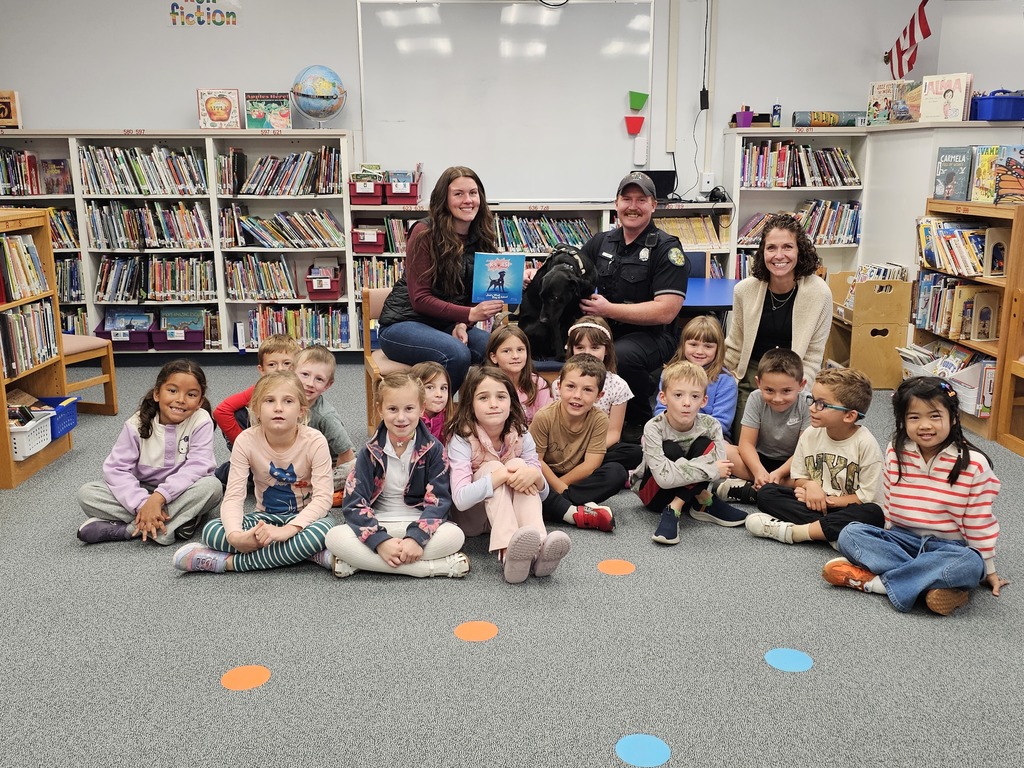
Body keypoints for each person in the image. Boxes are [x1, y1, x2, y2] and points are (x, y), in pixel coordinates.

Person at [824, 377, 1007, 616]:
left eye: (934, 416)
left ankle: (877, 583)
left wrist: (988, 569)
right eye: (914, 417)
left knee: (971, 564)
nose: (925, 425)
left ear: (952, 418)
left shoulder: (974, 465)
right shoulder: (895, 451)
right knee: (850, 534)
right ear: (902, 420)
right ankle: (931, 586)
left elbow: (979, 522)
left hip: (948, 548)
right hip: (901, 539)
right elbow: (889, 501)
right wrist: (886, 534)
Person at [172, 371, 335, 573]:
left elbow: (322, 500)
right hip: (264, 519)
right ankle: (306, 554)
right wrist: (235, 536)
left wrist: (287, 531)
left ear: (301, 411)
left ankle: (227, 563)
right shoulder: (246, 440)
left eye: (288, 401)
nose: (278, 408)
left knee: (325, 532)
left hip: (306, 521)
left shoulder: (315, 441)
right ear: (256, 409)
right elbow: (233, 496)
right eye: (269, 401)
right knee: (211, 531)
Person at [324, 373, 469, 579]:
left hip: (420, 521)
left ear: (421, 408)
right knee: (334, 538)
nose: (401, 417)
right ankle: (433, 568)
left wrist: (417, 538)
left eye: (409, 409)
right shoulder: (369, 452)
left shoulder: (434, 449)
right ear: (379, 409)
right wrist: (380, 541)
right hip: (380, 521)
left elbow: (439, 501)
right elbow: (354, 502)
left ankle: (363, 563)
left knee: (455, 536)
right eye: (392, 409)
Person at [579, 171, 689, 440]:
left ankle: (637, 420)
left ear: (654, 205)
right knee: (576, 344)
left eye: (641, 199)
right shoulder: (602, 241)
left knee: (621, 355)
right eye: (626, 199)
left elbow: (667, 309)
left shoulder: (667, 249)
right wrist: (536, 274)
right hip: (607, 329)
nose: (633, 206)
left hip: (653, 336)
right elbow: (573, 268)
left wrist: (608, 310)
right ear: (616, 203)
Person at [377, 166, 504, 391]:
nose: (468, 200)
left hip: (448, 324)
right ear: (443, 199)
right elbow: (420, 299)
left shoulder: (482, 236)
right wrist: (469, 314)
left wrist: (463, 323)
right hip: (404, 323)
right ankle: (438, 420)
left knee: (499, 350)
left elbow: (476, 293)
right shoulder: (424, 233)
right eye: (458, 194)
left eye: (473, 193)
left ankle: (479, 418)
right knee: (457, 354)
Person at [77, 359, 222, 545]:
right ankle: (175, 522)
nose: (180, 399)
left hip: (182, 491)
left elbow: (199, 466)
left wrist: (159, 498)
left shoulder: (201, 420)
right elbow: (116, 470)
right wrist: (143, 504)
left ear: (200, 401)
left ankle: (130, 530)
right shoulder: (135, 424)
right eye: (172, 391)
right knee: (87, 494)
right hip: (140, 490)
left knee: (212, 487)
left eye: (191, 395)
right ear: (157, 393)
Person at [446, 367, 571, 583]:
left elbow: (542, 495)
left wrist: (536, 477)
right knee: (495, 468)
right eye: (483, 398)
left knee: (520, 465)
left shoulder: (521, 433)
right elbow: (460, 500)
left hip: (511, 511)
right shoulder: (461, 437)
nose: (494, 404)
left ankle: (540, 545)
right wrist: (501, 475)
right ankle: (509, 546)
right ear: (470, 404)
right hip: (473, 520)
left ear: (511, 402)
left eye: (501, 396)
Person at [746, 367, 884, 547]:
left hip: (845, 507)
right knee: (767, 493)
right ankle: (829, 532)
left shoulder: (865, 444)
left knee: (873, 514)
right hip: (813, 505)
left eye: (822, 404)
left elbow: (866, 498)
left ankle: (796, 532)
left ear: (849, 416)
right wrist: (810, 486)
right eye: (812, 400)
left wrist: (826, 501)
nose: (811, 408)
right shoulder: (811, 434)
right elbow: (798, 477)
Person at [723, 213, 832, 435]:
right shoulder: (744, 290)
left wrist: (799, 392)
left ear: (799, 250)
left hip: (795, 374)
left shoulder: (819, 293)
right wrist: (717, 376)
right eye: (771, 248)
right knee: (743, 439)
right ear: (762, 251)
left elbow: (813, 355)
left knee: (796, 440)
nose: (779, 255)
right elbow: (735, 345)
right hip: (754, 371)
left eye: (787, 247)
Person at [632, 361, 746, 545]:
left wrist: (713, 469)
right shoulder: (654, 427)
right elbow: (664, 479)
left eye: (695, 396)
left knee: (704, 443)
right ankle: (704, 500)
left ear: (704, 400)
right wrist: (710, 468)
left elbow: (721, 469)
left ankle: (676, 507)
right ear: (663, 397)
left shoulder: (711, 425)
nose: (687, 403)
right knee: (670, 448)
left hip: (687, 493)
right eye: (678, 395)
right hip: (655, 495)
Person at [529, 354, 625, 532]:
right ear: (559, 387)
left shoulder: (600, 419)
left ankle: (553, 506)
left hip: (575, 477)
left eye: (588, 390)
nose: (577, 396)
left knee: (617, 473)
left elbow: (591, 465)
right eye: (571, 387)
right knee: (528, 480)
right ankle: (569, 508)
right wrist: (557, 486)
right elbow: (537, 461)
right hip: (545, 475)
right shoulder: (544, 416)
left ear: (599, 395)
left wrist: (562, 489)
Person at [714, 348, 810, 505]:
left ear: (801, 385)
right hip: (759, 460)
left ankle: (755, 488)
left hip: (793, 464)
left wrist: (779, 473)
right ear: (758, 383)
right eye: (769, 390)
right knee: (724, 450)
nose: (777, 398)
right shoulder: (755, 398)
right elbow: (746, 444)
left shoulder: (807, 403)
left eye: (786, 391)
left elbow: (803, 452)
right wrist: (758, 471)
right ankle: (772, 485)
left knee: (816, 474)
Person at [211, 333, 300, 484]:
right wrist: (245, 445)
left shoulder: (302, 390)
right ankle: (231, 471)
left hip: (287, 446)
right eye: (272, 364)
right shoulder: (257, 390)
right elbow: (221, 411)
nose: (280, 369)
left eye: (287, 363)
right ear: (262, 370)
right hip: (260, 444)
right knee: (239, 413)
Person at [558, 317, 641, 470]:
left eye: (595, 347)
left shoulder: (618, 385)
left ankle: (585, 469)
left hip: (600, 447)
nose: (587, 353)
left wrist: (589, 453)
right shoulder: (561, 383)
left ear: (607, 349)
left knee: (636, 453)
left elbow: (614, 433)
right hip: (566, 447)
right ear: (571, 349)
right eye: (580, 347)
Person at [654, 315, 737, 440]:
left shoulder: (725, 381)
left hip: (711, 437)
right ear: (683, 345)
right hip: (671, 432)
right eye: (693, 344)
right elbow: (660, 410)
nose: (699, 351)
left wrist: (690, 435)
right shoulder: (669, 373)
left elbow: (722, 422)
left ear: (718, 349)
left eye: (708, 346)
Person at [292, 344, 356, 491]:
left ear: (328, 385)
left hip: (331, 465)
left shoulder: (325, 416)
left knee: (353, 470)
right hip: (302, 461)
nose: (310, 384)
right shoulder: (285, 402)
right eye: (305, 375)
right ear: (292, 372)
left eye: (319, 379)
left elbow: (347, 455)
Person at [486, 324, 552, 424]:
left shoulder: (538, 383)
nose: (515, 356)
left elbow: (547, 422)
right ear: (493, 357)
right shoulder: (484, 385)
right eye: (507, 351)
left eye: (520, 350)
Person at [408, 361, 452, 443]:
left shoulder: (451, 421)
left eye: (443, 388)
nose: (439, 394)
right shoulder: (407, 420)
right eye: (430, 387)